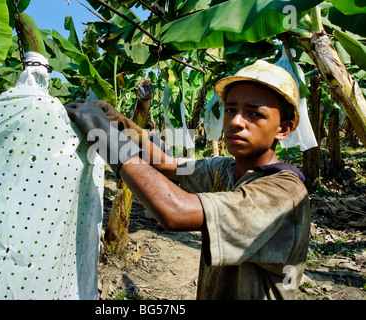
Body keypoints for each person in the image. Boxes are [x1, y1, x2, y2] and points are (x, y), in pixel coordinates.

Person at [64, 60, 311, 300]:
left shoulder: (283, 194)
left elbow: (176, 212)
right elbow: (168, 164)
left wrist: (105, 138)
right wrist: (117, 122)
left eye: (255, 114)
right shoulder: (224, 169)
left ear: (283, 129)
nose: (236, 121)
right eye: (231, 110)